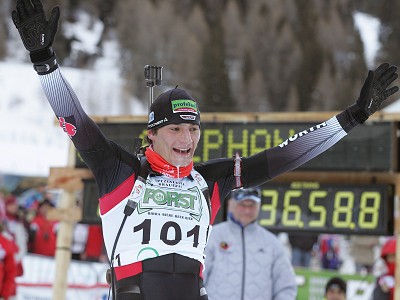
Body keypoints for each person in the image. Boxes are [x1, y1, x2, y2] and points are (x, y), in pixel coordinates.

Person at [11, 0, 399, 299]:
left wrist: (352, 117)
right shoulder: (120, 170)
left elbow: (287, 154)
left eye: (193, 129)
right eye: (176, 129)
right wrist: (44, 61)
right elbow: (75, 120)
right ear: (152, 135)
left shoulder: (210, 181)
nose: (187, 139)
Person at [203, 188, 297, 300]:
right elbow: (198, 280)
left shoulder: (272, 243)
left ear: (258, 206)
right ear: (230, 204)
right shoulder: (212, 236)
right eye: (242, 204)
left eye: (251, 205)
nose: (247, 210)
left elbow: (286, 286)